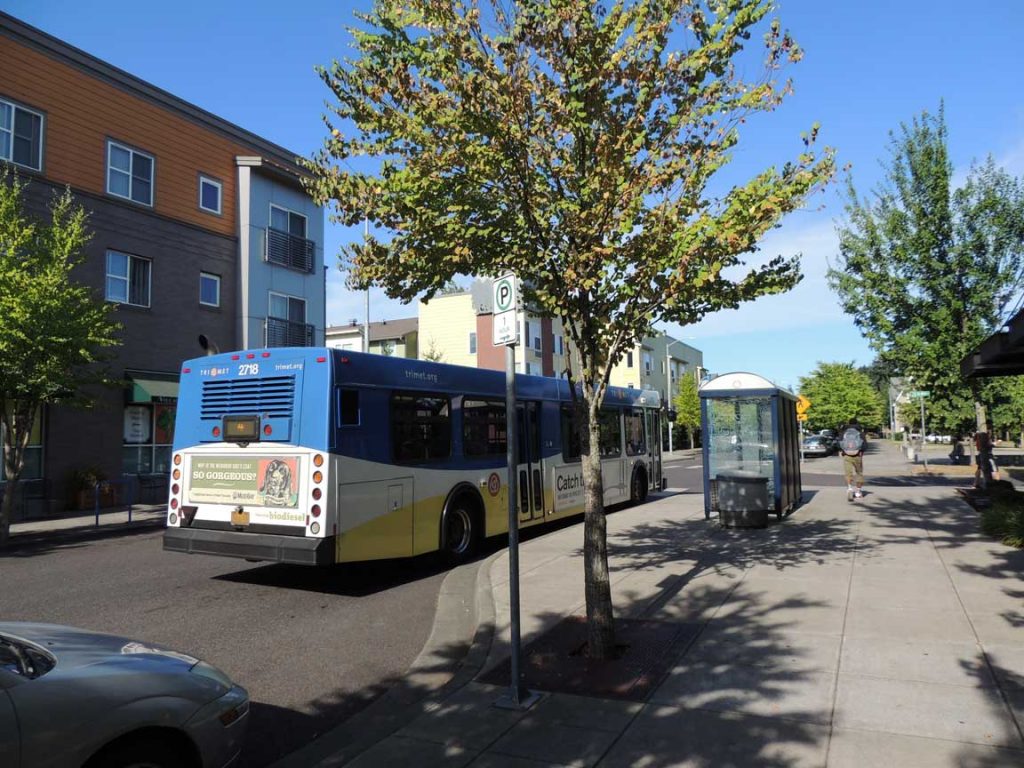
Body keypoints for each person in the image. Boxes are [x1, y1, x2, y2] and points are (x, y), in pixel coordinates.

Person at [839, 418, 866, 499]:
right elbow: (864, 444)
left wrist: (842, 451)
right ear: (857, 423)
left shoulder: (844, 432)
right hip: (857, 455)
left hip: (846, 455)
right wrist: (861, 451)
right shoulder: (860, 432)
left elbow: (839, 443)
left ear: (848, 423)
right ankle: (858, 491)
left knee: (848, 473)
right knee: (859, 473)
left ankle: (850, 488)